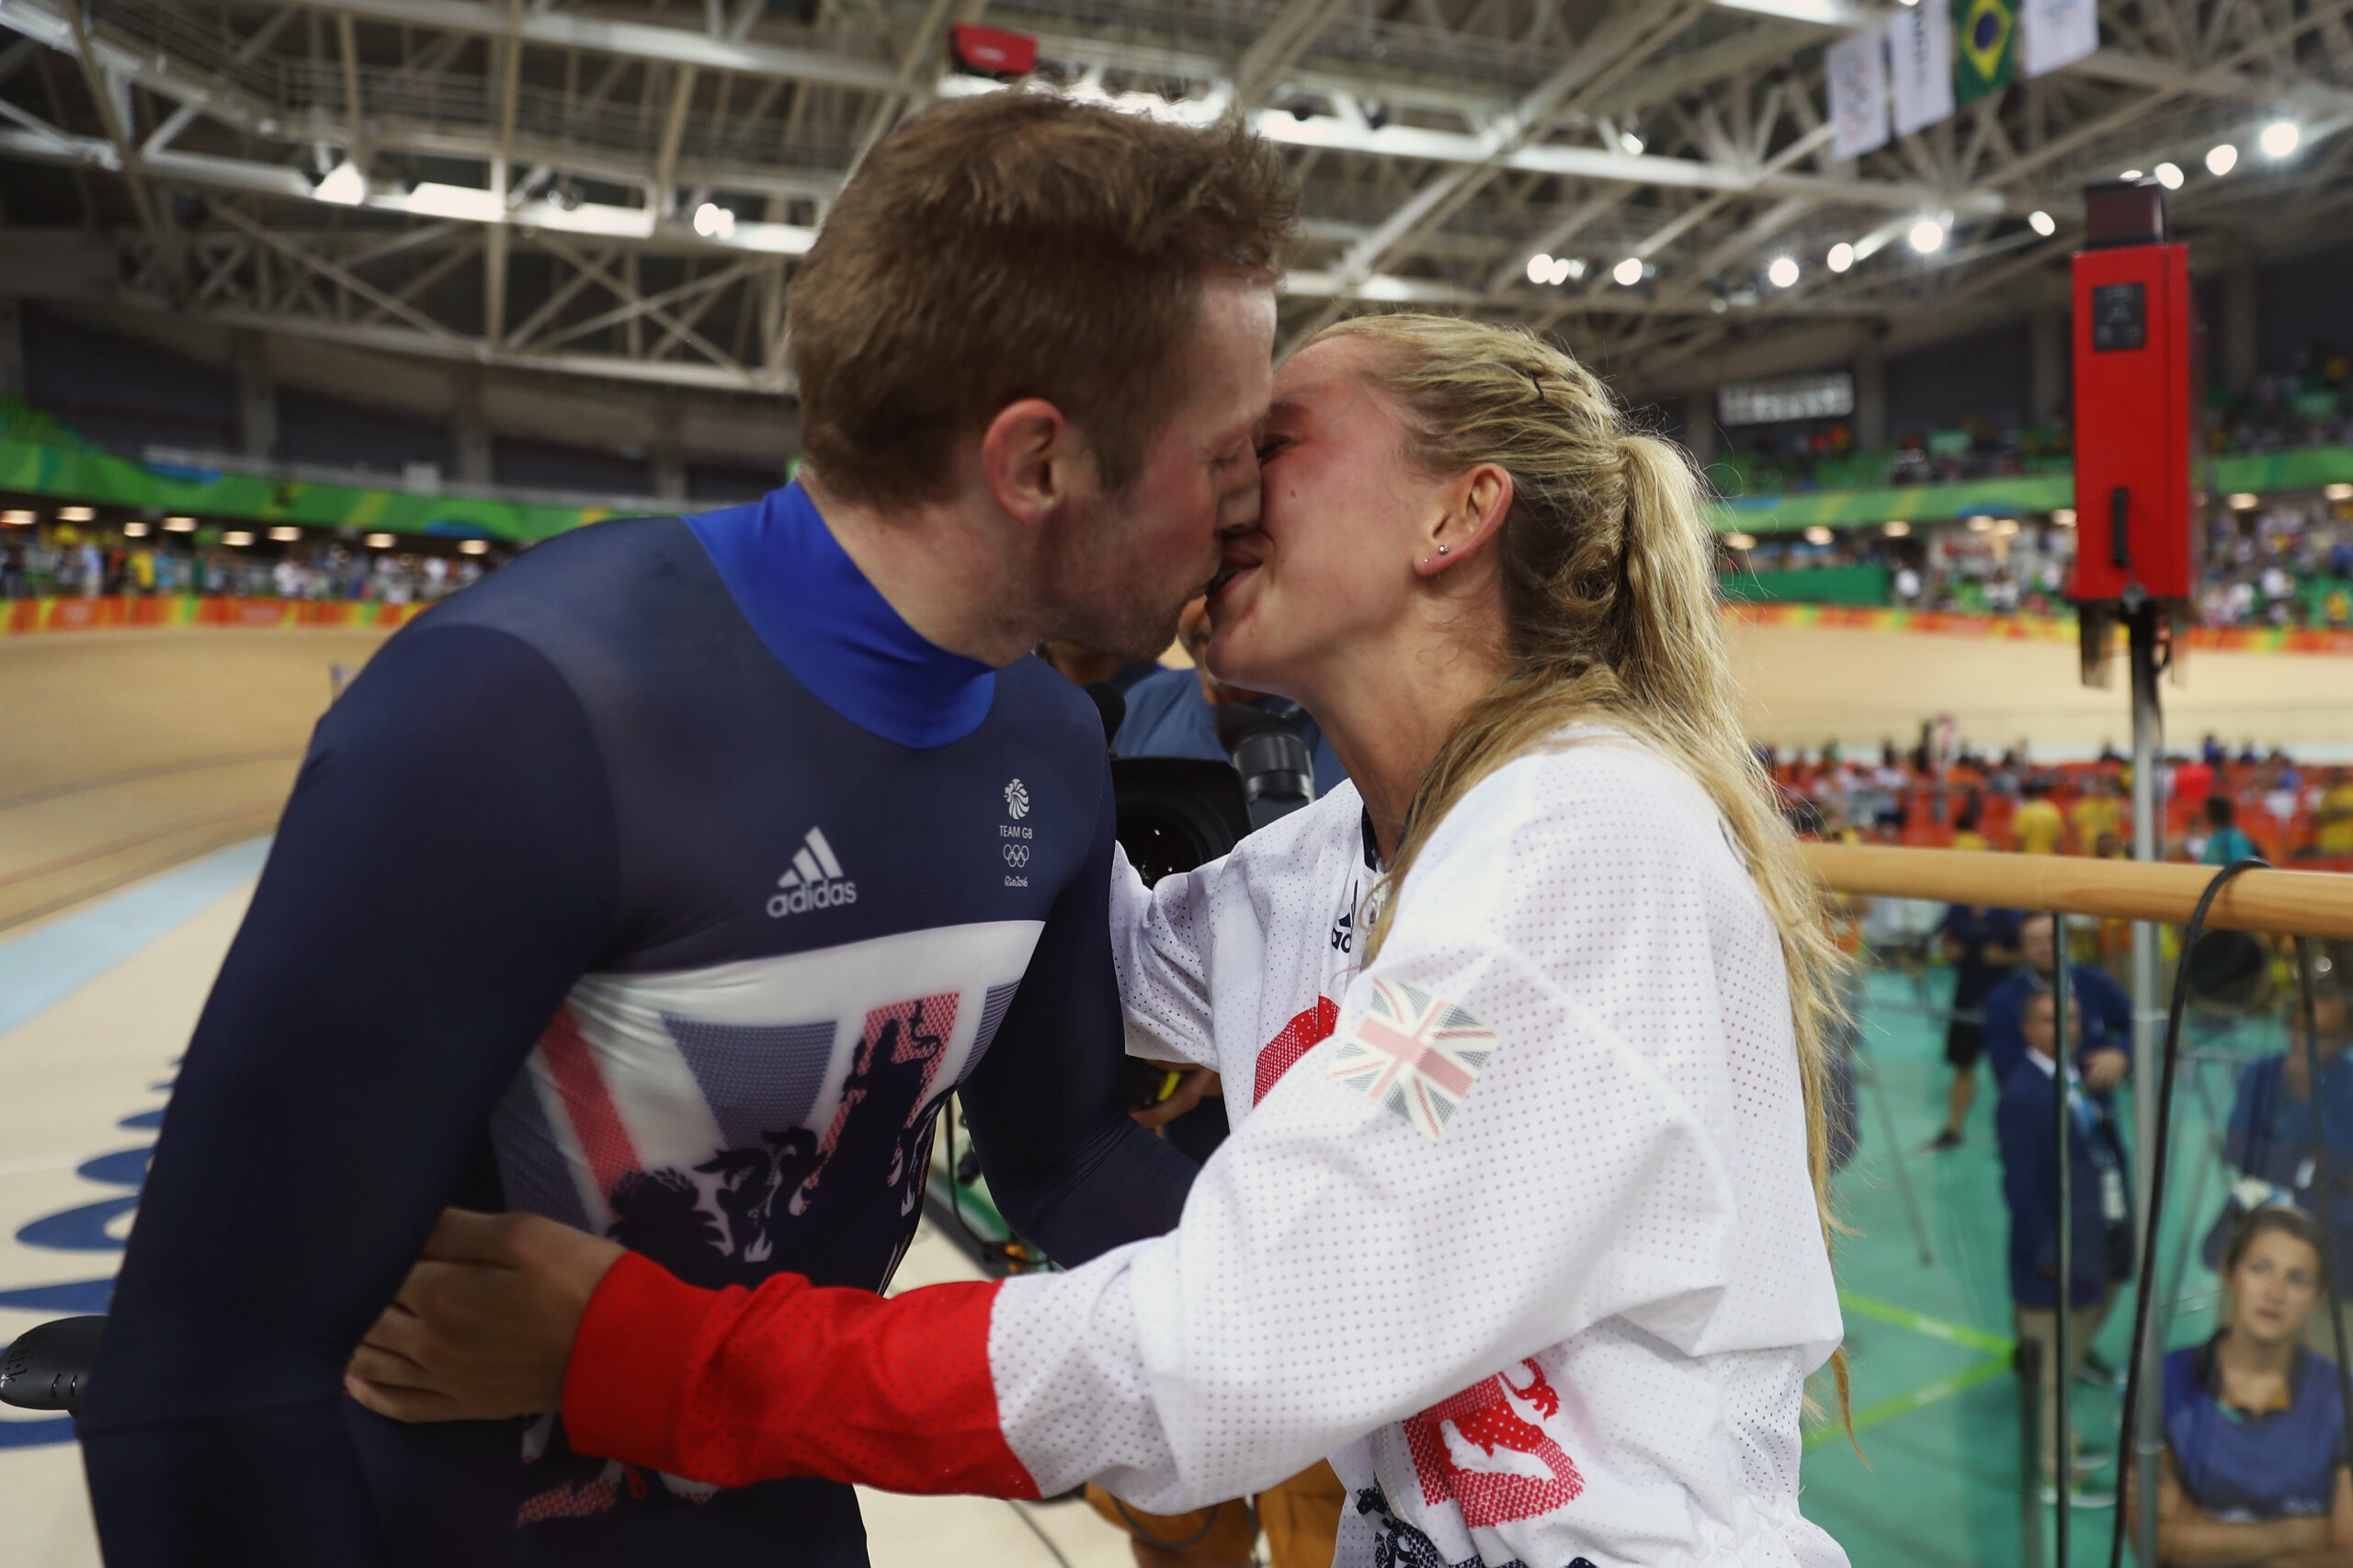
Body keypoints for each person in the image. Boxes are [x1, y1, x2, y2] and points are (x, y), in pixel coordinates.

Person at [348, 314, 1854, 1568]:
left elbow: (1216, 1355)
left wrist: (647, 1357)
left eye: (1275, 443)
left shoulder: (1589, 845)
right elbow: (1028, 959)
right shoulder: (1336, 860)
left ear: (1457, 515)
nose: (1217, 487)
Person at [76, 93, 1297, 1568]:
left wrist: (1363, 1319)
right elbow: (201, 1379)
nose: (1248, 507)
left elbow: (1064, 1155)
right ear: (1036, 462)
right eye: (1226, 453)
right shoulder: (518, 713)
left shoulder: (1047, 738)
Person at [2143, 1207, 2353, 1565]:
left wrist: (2202, 1529)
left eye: (2297, 1279)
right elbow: (2156, 1541)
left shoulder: (2341, 1397)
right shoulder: (2166, 1379)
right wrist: (2298, 1533)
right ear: (2229, 1272)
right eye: (2260, 1269)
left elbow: (2347, 1550)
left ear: (2318, 1298)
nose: (2275, 1293)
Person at [1997, 983, 2136, 1508]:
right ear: (2028, 1029)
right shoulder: (2025, 1096)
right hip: (2059, 1263)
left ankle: (2067, 1445)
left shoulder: (2080, 1078)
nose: (2068, 1029)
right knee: (2054, 1376)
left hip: (2099, 1244)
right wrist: (2049, 1257)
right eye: (2053, 1021)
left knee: (2071, 1360)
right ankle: (2057, 1473)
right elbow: (2022, 1189)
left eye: (2073, 1018)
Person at [2223, 949, 2353, 1358]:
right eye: (2301, 1033)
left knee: (2327, 1361)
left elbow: (2346, 1164)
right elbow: (2239, 1148)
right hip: (2262, 1227)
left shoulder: (2348, 1087)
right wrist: (2308, 1169)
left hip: (2332, 1249)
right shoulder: (2262, 1073)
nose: (2309, 1045)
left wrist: (2302, 1099)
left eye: (2325, 1036)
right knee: (2241, 1351)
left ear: (2346, 1038)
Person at [1115, 592, 1348, 796]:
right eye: (1198, 587)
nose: (1215, 614)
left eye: (1233, 581)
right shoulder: (1144, 706)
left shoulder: (1348, 718)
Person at [1983, 911, 2132, 1089]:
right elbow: (2006, 1069)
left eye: (2052, 938)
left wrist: (2122, 1054)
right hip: (2039, 1105)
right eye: (2034, 941)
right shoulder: (2003, 1000)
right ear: (2022, 949)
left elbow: (2140, 1025)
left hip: (2098, 1106)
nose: (2045, 948)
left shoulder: (2094, 983)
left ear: (2069, 941)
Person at [1927, 895, 2023, 1151]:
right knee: (1963, 1065)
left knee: (2008, 1070)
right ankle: (1953, 1130)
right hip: (1967, 995)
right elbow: (1944, 935)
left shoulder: (2009, 912)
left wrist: (2006, 957)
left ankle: (2015, 1134)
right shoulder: (1960, 908)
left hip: (2002, 1001)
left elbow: (2028, 951)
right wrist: (1949, 948)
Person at [2203, 793, 2262, 866]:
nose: (2204, 814)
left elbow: (2241, 869)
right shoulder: (2215, 836)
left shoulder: (2235, 839)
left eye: (2207, 811)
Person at [2015, 779, 2065, 856]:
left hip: (2030, 857)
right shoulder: (2053, 810)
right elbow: (2057, 842)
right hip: (2049, 858)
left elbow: (2020, 841)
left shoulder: (2025, 813)